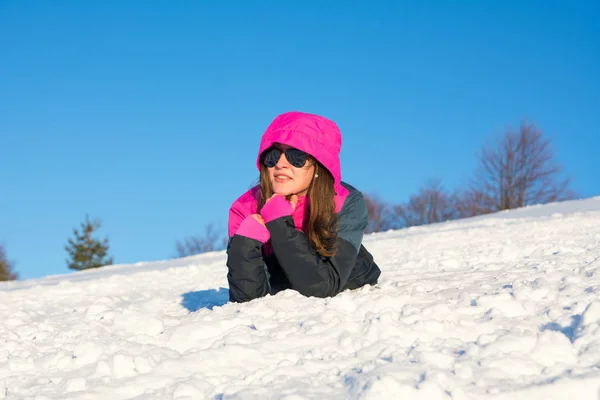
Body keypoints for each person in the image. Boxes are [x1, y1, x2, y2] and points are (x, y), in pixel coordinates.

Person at [226, 111, 381, 303]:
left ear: (320, 164)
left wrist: (279, 223)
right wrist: (246, 243)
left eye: (296, 156)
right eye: (273, 155)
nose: (281, 164)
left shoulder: (345, 201)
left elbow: (324, 286)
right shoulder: (244, 208)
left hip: (349, 301)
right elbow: (247, 301)